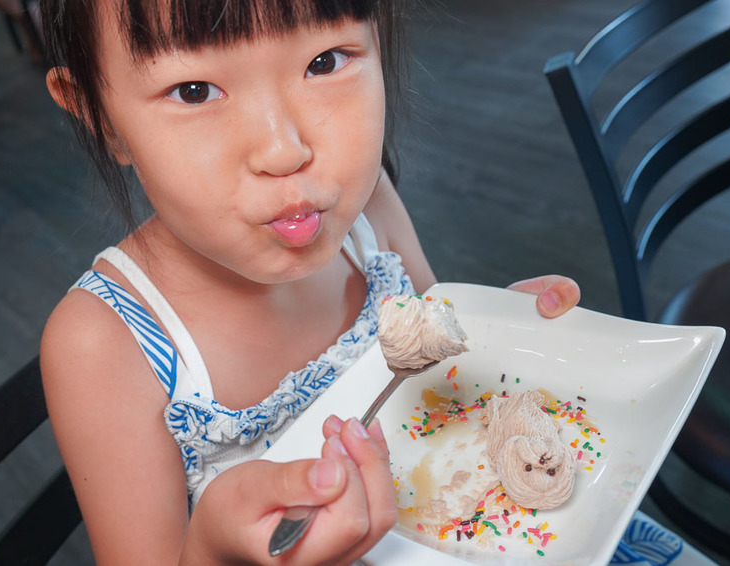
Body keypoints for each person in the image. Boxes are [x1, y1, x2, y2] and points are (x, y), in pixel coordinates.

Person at [37, 1, 581, 564]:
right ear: (102, 119)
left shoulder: (367, 209)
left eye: (324, 61)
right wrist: (213, 552)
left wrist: (500, 334)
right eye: (193, 91)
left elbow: (436, 367)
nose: (284, 150)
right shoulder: (103, 346)